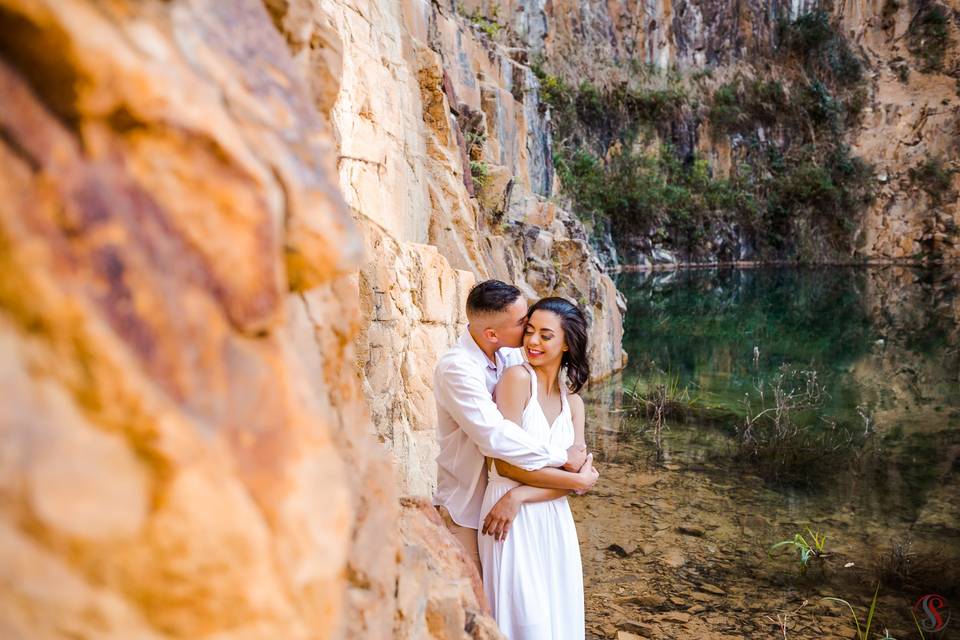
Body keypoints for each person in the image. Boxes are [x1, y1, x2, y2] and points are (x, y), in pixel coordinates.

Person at [433, 281, 598, 573]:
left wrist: (536, 489)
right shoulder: (458, 369)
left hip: (526, 509)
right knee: (480, 609)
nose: (529, 334)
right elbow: (496, 440)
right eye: (524, 323)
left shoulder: (509, 356)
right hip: (469, 511)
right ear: (492, 334)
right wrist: (565, 460)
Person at [478, 297, 595, 640]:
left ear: (567, 343)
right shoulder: (516, 380)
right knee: (524, 621)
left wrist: (524, 495)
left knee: (557, 615)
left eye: (546, 335)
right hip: (508, 519)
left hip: (552, 518)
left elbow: (578, 482)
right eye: (529, 331)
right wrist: (517, 497)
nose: (532, 342)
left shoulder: (573, 404)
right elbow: (503, 463)